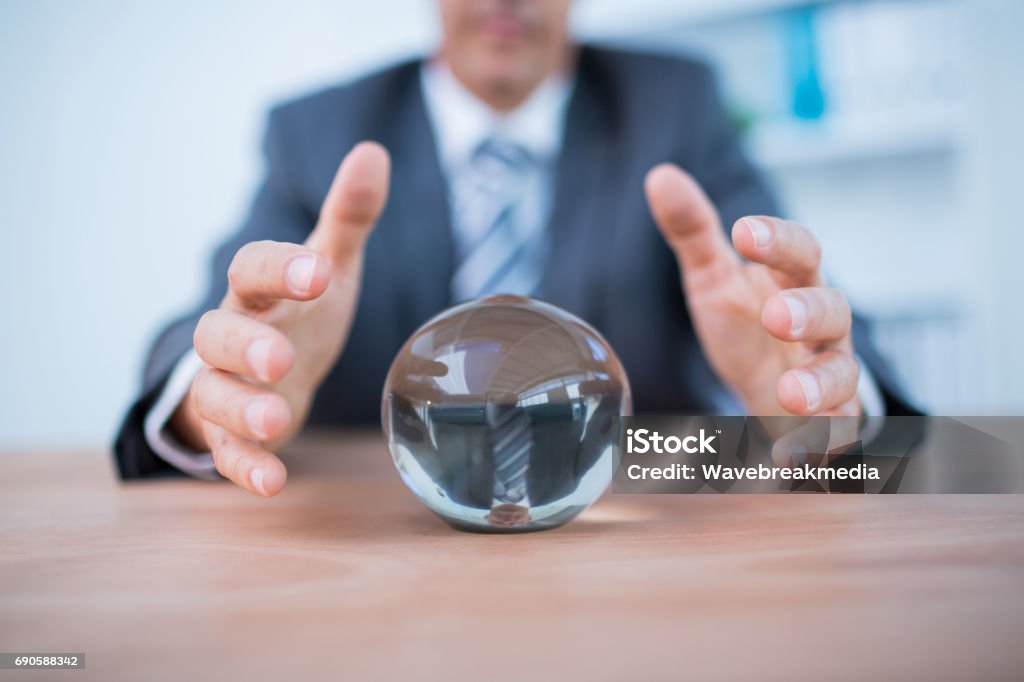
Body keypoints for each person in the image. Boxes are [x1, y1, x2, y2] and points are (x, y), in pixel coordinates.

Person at [114, 0, 917, 496]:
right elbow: (213, 323)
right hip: (375, 565)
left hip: (636, 557)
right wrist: (214, 395)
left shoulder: (676, 102)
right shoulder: (317, 129)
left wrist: (823, 408)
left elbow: (809, 314)